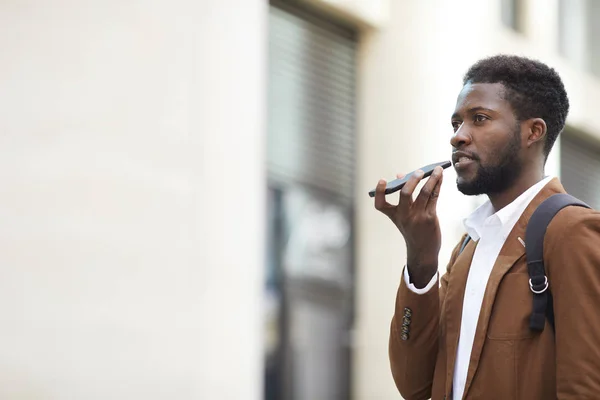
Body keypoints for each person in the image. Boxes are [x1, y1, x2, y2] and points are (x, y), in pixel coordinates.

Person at [373, 54, 600, 400]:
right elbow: (415, 385)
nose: (459, 137)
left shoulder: (572, 230)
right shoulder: (468, 247)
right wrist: (421, 259)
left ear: (533, 132)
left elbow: (586, 388)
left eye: (479, 119)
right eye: (456, 124)